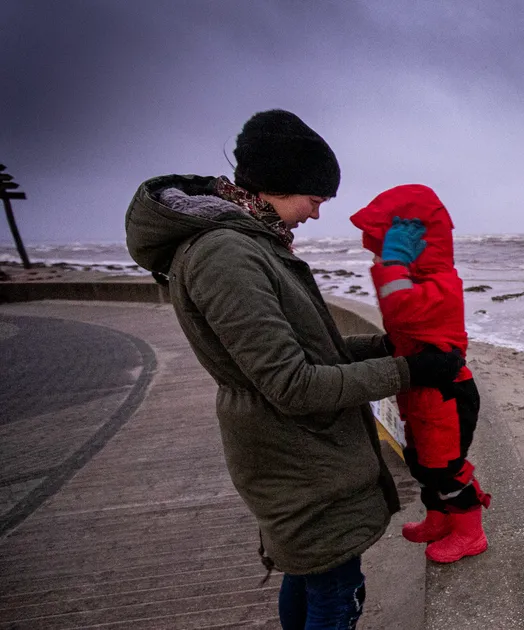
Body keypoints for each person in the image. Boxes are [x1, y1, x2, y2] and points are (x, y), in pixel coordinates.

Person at [124, 109, 463, 629]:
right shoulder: (226, 254)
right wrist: (408, 372)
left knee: (309, 576)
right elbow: (293, 384)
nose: (318, 214)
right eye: (317, 199)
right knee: (334, 589)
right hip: (298, 457)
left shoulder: (247, 241)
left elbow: (306, 351)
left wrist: (387, 346)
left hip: (297, 451)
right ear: (283, 185)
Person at [349, 184, 491, 564]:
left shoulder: (441, 283)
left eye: (385, 246)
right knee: (421, 461)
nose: (380, 256)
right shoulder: (420, 278)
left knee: (446, 467)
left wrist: (394, 263)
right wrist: (394, 262)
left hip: (447, 395)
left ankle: (469, 532)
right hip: (422, 393)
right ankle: (440, 518)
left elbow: (401, 311)